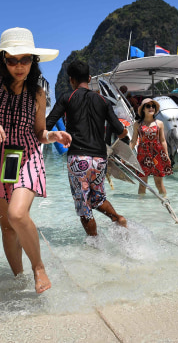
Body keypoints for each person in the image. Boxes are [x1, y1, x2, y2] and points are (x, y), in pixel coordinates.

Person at [0, 27, 71, 293]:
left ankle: (38, 267)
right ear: (3, 61)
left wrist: (53, 135)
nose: (19, 66)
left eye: (25, 59)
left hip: (26, 156)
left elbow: (39, 133)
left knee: (17, 214)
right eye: (12, 60)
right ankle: (18, 280)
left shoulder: (38, 94)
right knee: (7, 227)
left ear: (33, 61)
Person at [46, 60, 128, 237]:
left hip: (78, 159)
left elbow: (48, 124)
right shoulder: (103, 100)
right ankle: (118, 218)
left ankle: (94, 245)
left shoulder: (67, 98)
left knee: (83, 204)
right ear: (89, 78)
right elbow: (121, 132)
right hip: (99, 159)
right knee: (97, 198)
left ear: (71, 80)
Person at [130, 98, 173, 196]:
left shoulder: (159, 123)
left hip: (157, 155)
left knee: (159, 184)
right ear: (143, 109)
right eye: (148, 106)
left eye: (153, 106)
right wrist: (127, 154)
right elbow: (133, 141)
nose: (151, 108)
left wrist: (166, 155)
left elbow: (162, 140)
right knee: (142, 184)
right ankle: (142, 207)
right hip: (142, 155)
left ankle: (165, 203)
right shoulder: (137, 124)